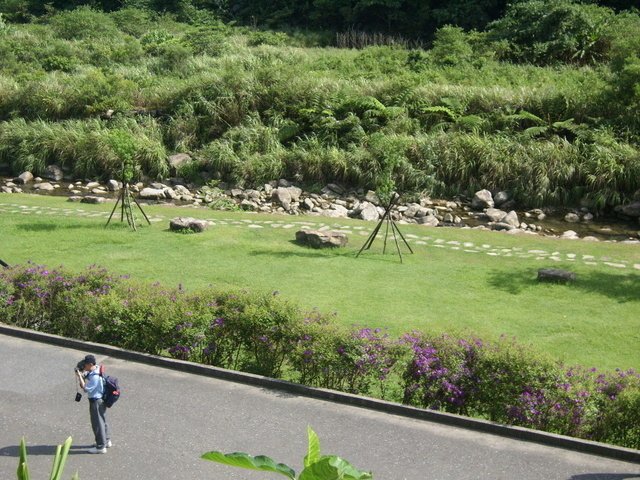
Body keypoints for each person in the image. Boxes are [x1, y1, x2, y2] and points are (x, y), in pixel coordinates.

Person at [75, 354, 112, 454]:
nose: (84, 366)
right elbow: (88, 374)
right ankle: (107, 441)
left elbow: (85, 388)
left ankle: (100, 446)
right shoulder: (97, 369)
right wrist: (83, 374)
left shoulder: (95, 377)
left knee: (97, 424)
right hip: (101, 401)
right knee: (102, 421)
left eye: (86, 364)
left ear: (91, 364)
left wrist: (79, 376)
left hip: (96, 402)